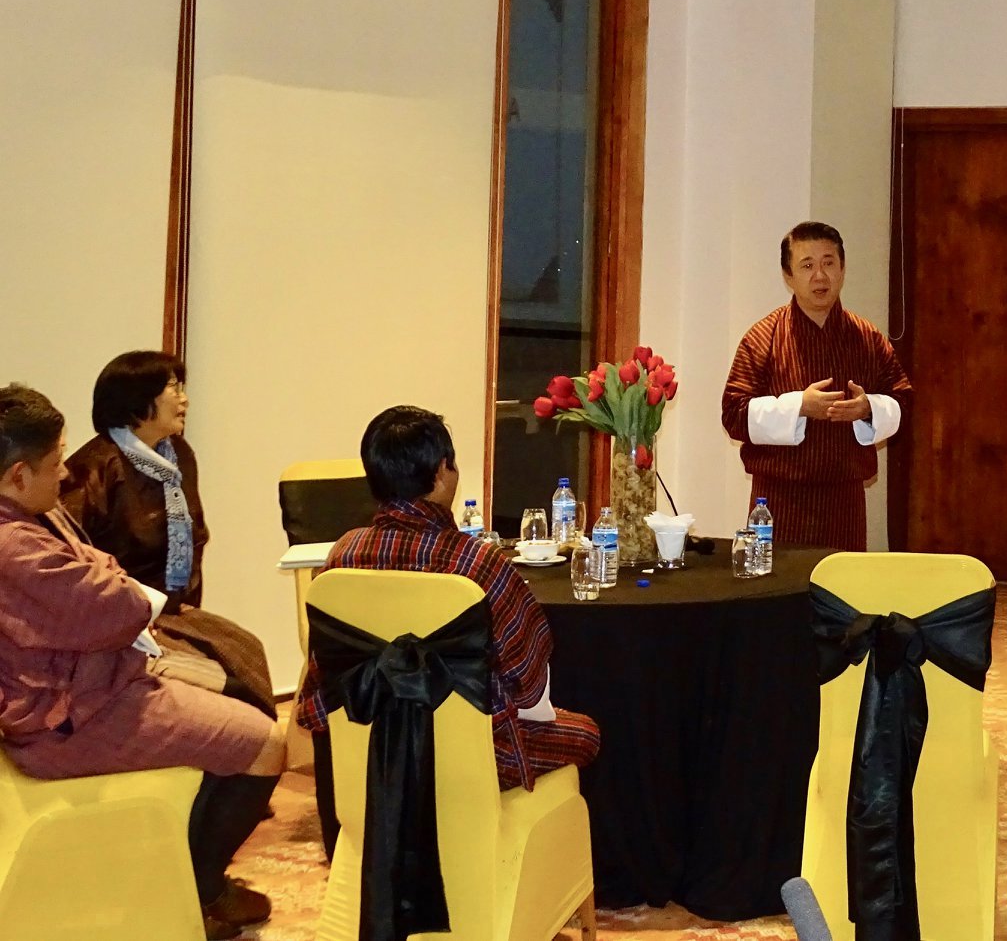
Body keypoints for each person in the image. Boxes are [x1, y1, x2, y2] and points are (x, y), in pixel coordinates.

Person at [0, 384, 282, 941]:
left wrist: (113, 583)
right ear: (16, 476)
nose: (64, 475)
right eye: (55, 463)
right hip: (68, 715)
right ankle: (199, 889)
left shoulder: (33, 514)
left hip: (98, 677)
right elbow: (116, 602)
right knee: (268, 743)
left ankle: (182, 875)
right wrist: (116, 586)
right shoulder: (14, 545)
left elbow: (103, 566)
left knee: (235, 663)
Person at [294, 405, 599, 852]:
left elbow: (329, 675)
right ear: (441, 473)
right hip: (470, 759)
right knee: (586, 733)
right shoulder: (478, 564)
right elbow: (530, 689)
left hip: (371, 749)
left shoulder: (342, 555)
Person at [61, 351, 275, 715]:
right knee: (227, 678)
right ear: (137, 399)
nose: (184, 399)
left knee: (245, 649)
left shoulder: (178, 455)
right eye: (173, 388)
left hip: (172, 611)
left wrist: (181, 604)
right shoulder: (94, 469)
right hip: (120, 626)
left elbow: (195, 539)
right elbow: (74, 566)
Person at [720, 220, 914, 550]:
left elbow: (904, 401)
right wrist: (799, 407)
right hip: (778, 499)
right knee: (777, 595)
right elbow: (733, 414)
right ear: (788, 275)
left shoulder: (868, 338)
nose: (820, 276)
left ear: (842, 268)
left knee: (840, 592)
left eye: (828, 263)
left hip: (846, 499)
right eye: (807, 266)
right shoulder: (762, 338)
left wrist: (868, 408)